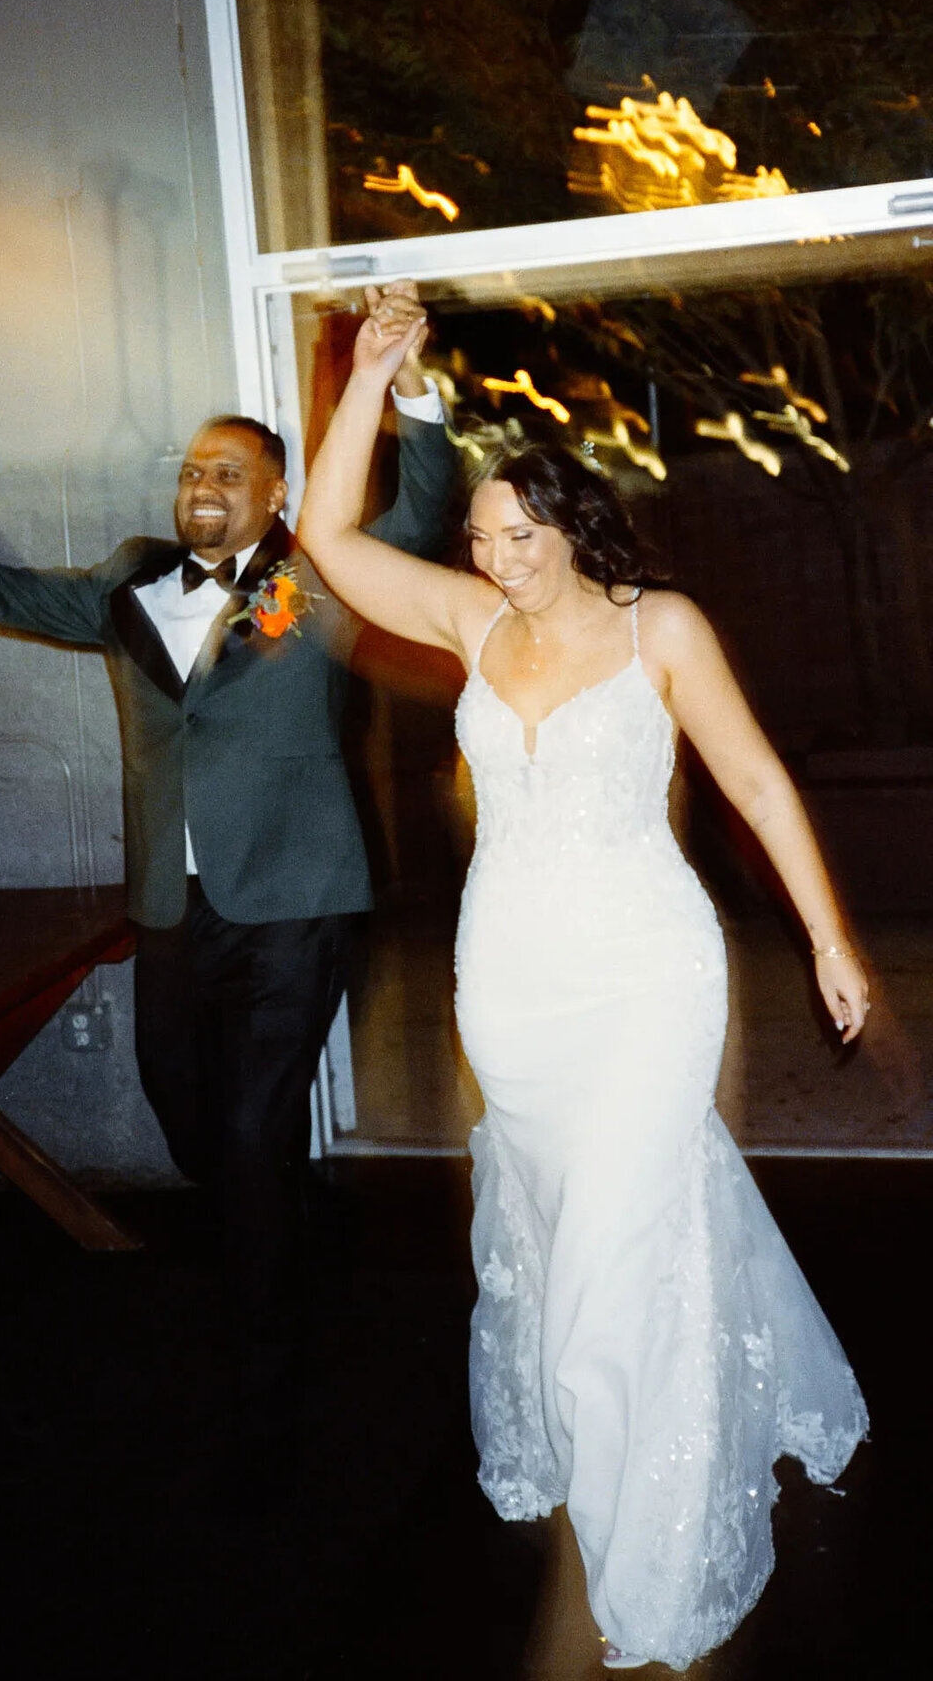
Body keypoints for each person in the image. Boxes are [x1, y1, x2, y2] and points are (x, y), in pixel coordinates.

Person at [296, 308, 869, 1668]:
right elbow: (325, 536)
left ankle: (650, 1552)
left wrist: (831, 938)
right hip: (511, 983)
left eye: (517, 535)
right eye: (479, 537)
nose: (492, 556)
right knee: (573, 1226)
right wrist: (371, 379)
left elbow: (756, 781)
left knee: (612, 1259)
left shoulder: (658, 624)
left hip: (649, 976)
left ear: (575, 528)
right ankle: (668, 1405)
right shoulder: (470, 621)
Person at [0, 282, 456, 1480]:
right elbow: (4, 592)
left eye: (229, 472)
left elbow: (422, 511)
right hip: (174, 906)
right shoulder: (127, 584)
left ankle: (264, 1403)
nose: (202, 487)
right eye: (190, 473)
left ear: (275, 494)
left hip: (296, 901)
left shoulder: (312, 579)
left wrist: (407, 384)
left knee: (255, 1127)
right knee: (189, 1117)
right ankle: (287, 1224)